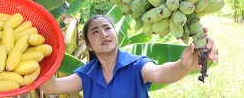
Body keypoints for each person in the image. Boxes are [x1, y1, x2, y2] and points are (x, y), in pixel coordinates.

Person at [41, 15, 218, 97]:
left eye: (107, 28)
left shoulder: (136, 65)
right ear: (88, 44)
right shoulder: (86, 75)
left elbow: (160, 73)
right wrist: (40, 54)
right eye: (95, 32)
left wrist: (182, 66)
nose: (104, 34)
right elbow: (52, 87)